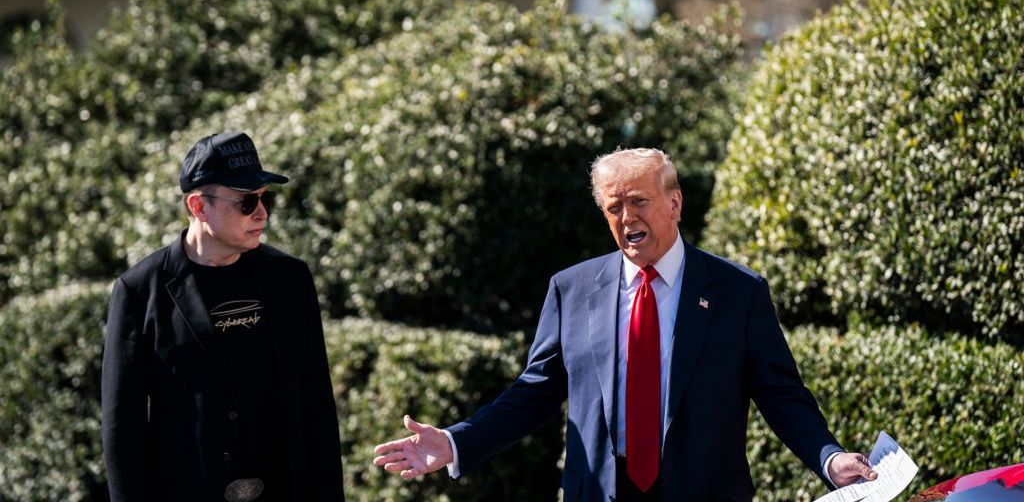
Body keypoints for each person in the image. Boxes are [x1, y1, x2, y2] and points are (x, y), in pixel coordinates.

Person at [373, 148, 877, 501]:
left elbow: (781, 393)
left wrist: (830, 459)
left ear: (674, 204)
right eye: (613, 207)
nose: (626, 216)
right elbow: (533, 393)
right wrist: (457, 441)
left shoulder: (737, 292)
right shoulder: (570, 289)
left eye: (639, 201)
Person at [102, 131, 343, 502]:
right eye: (247, 202)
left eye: (265, 200)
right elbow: (123, 431)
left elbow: (317, 410)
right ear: (198, 206)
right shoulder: (139, 291)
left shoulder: (291, 279)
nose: (261, 213)